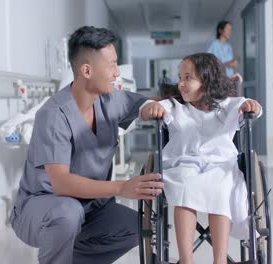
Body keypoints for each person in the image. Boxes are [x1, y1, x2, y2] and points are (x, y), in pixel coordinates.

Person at [9, 26, 164, 264]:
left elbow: (144, 104)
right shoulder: (53, 115)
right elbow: (61, 183)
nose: (116, 73)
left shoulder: (110, 101)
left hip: (89, 209)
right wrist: (121, 187)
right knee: (67, 213)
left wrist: (156, 106)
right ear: (87, 70)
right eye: (111, 64)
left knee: (135, 226)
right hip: (41, 208)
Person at [140, 53, 262, 264]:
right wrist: (151, 108)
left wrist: (252, 106)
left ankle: (219, 259)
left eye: (188, 78)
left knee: (222, 188)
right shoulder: (175, 106)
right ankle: (187, 259)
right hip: (183, 163)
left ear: (206, 80)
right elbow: (145, 110)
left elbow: (252, 107)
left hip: (221, 165)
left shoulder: (227, 105)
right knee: (185, 187)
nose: (181, 84)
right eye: (180, 77)